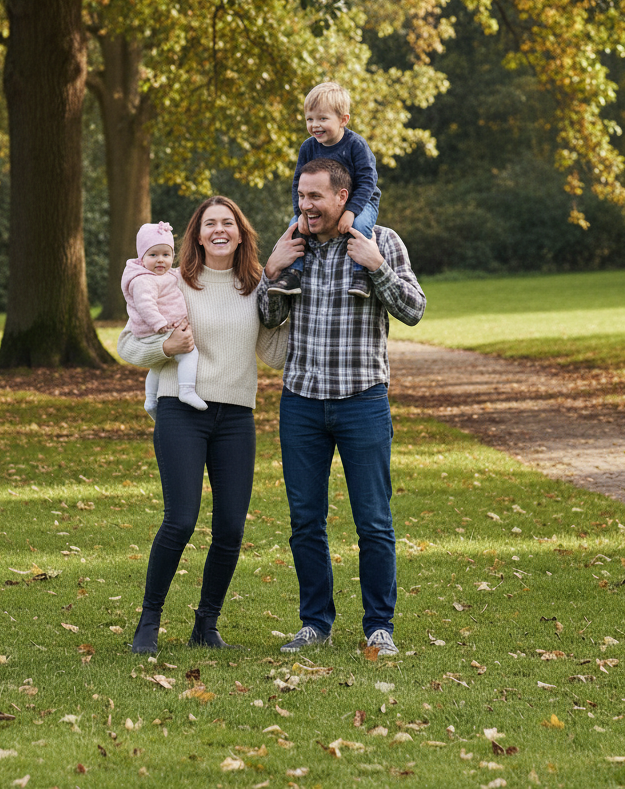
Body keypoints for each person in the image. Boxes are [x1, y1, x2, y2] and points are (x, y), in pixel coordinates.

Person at [258, 158, 425, 658]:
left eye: (315, 197)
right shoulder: (294, 246)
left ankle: (380, 627)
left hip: (362, 402)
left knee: (373, 520)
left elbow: (414, 310)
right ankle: (315, 622)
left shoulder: (382, 241)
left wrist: (377, 268)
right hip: (302, 403)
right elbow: (269, 318)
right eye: (301, 197)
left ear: (342, 197)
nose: (305, 206)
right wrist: (271, 271)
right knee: (305, 521)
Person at [118, 197, 289, 653]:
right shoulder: (172, 280)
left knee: (231, 527)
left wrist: (290, 305)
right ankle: (148, 623)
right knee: (181, 520)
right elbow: (128, 345)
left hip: (236, 415)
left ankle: (206, 625)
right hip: (181, 412)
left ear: (240, 233)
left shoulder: (254, 287)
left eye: (228, 223)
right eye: (209, 223)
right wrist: (166, 348)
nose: (219, 230)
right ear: (195, 234)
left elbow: (273, 356)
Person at [266, 81, 381, 299]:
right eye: (310, 119)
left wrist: (351, 211)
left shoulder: (355, 145)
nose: (315, 125)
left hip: (362, 200)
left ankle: (361, 275)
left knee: (359, 226)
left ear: (343, 120)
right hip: (322, 206)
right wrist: (300, 214)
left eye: (322, 118)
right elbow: (298, 182)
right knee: (294, 227)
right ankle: (293, 274)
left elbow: (368, 181)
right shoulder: (308, 147)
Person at [121, 221, 206, 421]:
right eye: (153, 255)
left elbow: (175, 275)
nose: (160, 260)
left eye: (166, 255)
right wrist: (159, 324)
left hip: (161, 327)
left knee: (157, 366)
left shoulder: (163, 275)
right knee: (189, 353)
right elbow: (145, 305)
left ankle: (150, 399)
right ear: (141, 258)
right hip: (156, 329)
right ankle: (186, 390)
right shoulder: (144, 280)